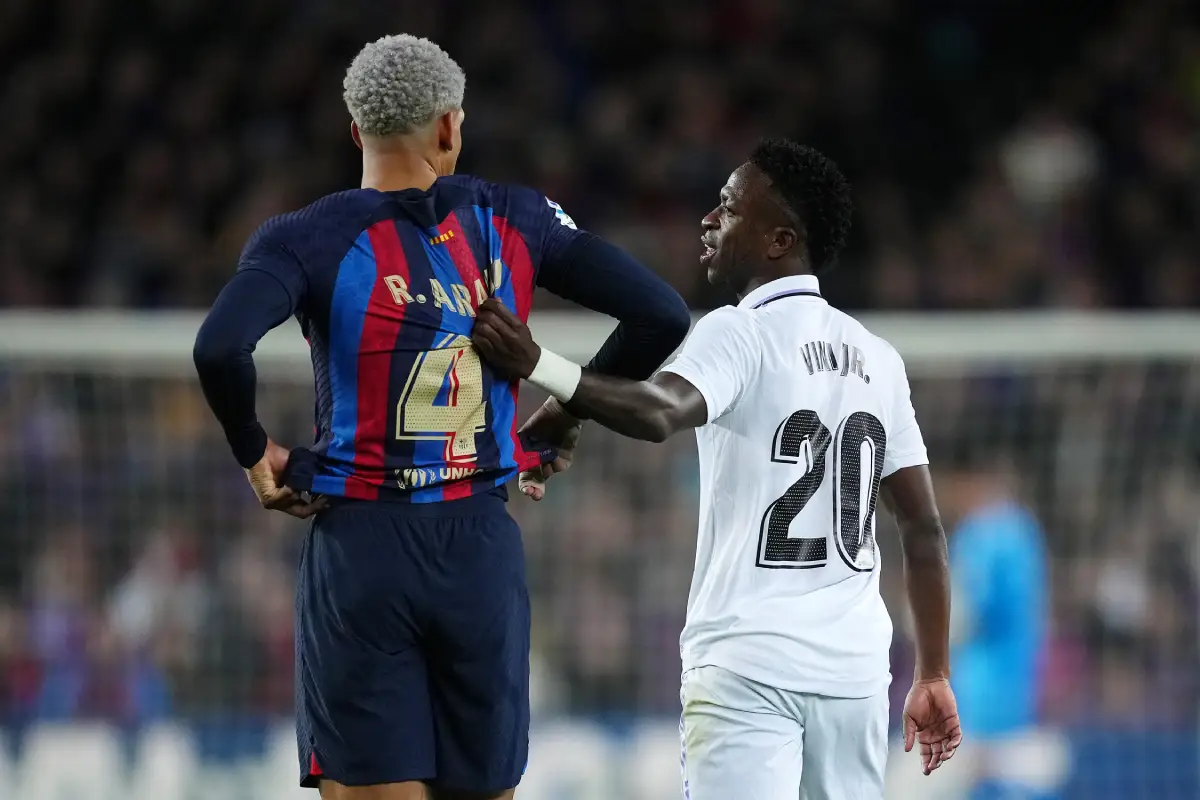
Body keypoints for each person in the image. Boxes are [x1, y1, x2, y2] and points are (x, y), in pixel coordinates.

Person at [192, 34, 690, 800]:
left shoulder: (307, 236)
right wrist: (559, 412)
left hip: (361, 547)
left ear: (356, 132)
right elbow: (660, 313)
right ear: (451, 127)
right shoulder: (514, 217)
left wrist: (256, 453)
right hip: (479, 551)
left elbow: (221, 349)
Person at [473, 138, 962, 799]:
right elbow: (924, 529)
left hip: (747, 662)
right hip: (854, 672)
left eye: (729, 207)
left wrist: (541, 364)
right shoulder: (878, 357)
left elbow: (656, 412)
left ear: (778, 239)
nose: (709, 219)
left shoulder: (740, 331)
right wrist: (932, 673)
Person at [890, 440, 1052, 800]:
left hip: (976, 706)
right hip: (1014, 697)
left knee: (899, 789)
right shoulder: (1025, 531)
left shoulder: (988, 534)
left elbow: (961, 617)